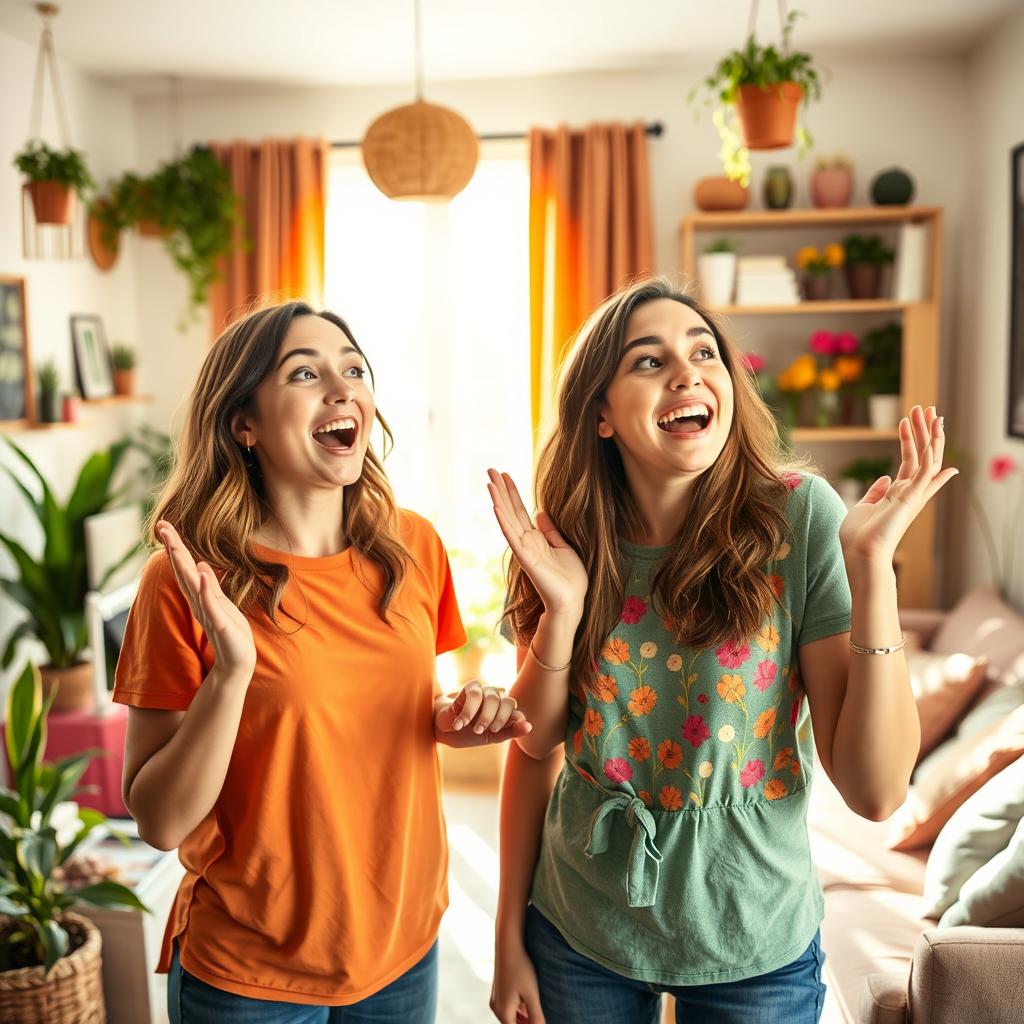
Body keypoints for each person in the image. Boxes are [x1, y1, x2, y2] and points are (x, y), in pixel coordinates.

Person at [486, 277, 955, 1024]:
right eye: (648, 360)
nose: (687, 372)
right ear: (600, 414)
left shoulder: (799, 518)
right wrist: (508, 935)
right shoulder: (563, 538)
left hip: (755, 937)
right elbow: (535, 745)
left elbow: (875, 792)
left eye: (704, 352)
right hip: (581, 927)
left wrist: (872, 573)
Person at [114, 301, 531, 1023]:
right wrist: (231, 674)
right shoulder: (186, 582)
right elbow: (159, 820)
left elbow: (387, 710)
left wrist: (455, 720)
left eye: (354, 370)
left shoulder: (412, 548)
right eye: (305, 373)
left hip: (403, 942)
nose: (343, 389)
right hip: (250, 973)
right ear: (245, 423)